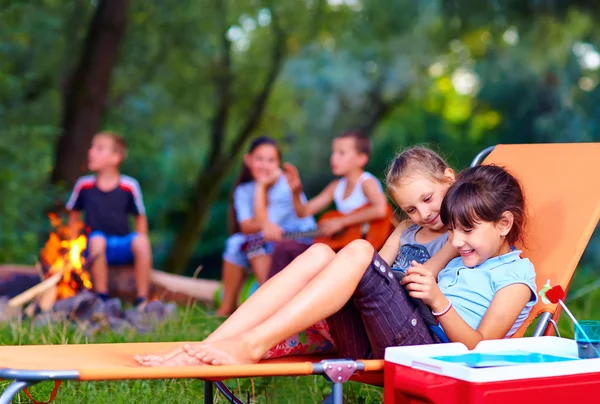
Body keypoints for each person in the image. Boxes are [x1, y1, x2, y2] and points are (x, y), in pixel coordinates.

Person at [136, 152, 536, 367]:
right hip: (386, 331)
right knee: (320, 253)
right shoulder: (455, 240)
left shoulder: (503, 266)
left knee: (358, 252)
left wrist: (437, 298)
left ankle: (252, 343)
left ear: (503, 224)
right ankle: (212, 343)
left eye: (466, 230)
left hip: (424, 346)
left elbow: (479, 347)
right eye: (412, 208)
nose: (458, 236)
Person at [216, 136, 316, 316]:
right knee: (234, 243)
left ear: (278, 164)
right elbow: (247, 226)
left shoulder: (284, 185)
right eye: (259, 159)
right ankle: (225, 307)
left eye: (271, 160)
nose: (264, 165)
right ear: (248, 160)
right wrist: (260, 188)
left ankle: (267, 300)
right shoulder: (243, 190)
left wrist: (261, 187)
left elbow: (266, 226)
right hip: (270, 237)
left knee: (255, 242)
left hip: (299, 236)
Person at [269, 131, 389, 278]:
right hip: (338, 248)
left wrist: (342, 222)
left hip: (358, 251)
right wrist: (295, 191)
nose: (334, 158)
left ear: (361, 159)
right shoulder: (336, 186)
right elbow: (304, 212)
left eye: (341, 153)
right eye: (334, 152)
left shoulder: (366, 182)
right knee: (284, 247)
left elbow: (380, 209)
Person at [67, 132, 152, 307]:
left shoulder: (129, 186)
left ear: (116, 157)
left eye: (99, 149)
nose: (91, 152)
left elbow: (140, 217)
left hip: (122, 244)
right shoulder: (84, 185)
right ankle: (102, 297)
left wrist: (140, 243)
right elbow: (74, 217)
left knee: (142, 242)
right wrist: (72, 248)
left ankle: (142, 299)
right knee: (97, 239)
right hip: (94, 246)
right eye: (92, 147)